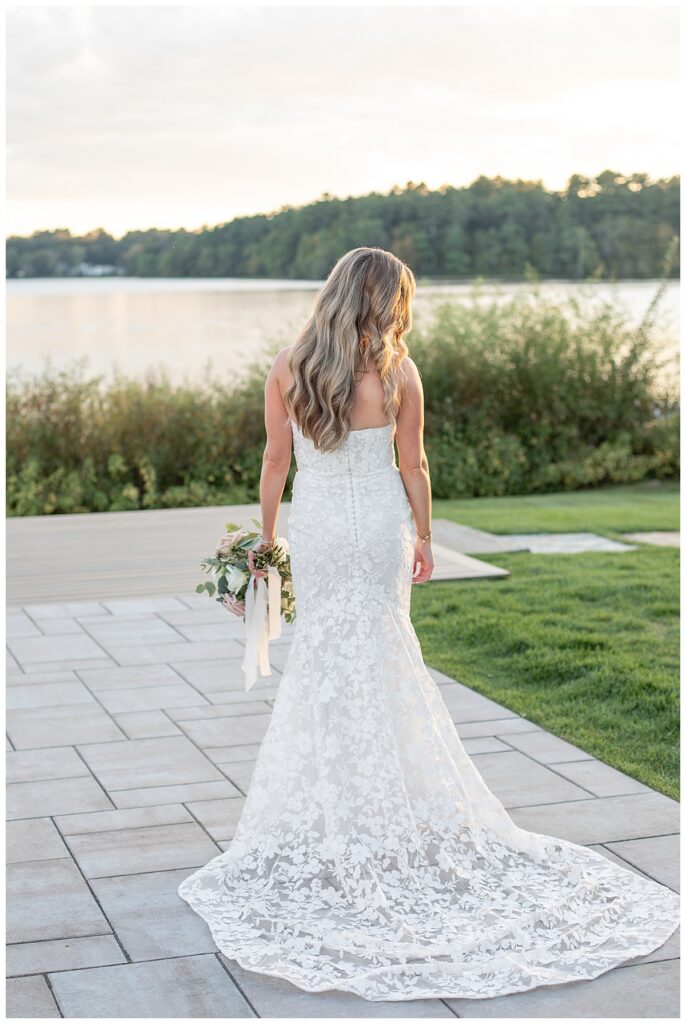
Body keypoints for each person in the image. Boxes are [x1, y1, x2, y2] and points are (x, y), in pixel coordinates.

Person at [178, 247, 679, 1002]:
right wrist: (425, 535)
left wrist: (269, 541)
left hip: (319, 529)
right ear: (384, 300)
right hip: (378, 529)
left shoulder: (290, 366)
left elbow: (275, 461)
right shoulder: (399, 372)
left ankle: (340, 810)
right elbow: (412, 464)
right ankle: (386, 809)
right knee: (384, 654)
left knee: (322, 662)